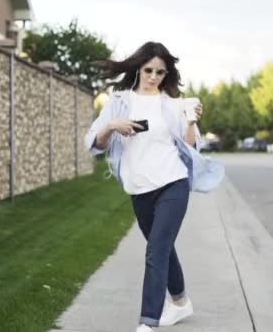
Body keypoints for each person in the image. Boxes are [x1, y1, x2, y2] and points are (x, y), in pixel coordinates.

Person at [84, 42, 224, 332]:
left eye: (160, 72)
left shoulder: (173, 103)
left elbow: (190, 146)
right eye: (149, 70)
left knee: (156, 251)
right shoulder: (120, 102)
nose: (154, 77)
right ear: (138, 68)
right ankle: (181, 302)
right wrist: (112, 126)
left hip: (173, 183)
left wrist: (191, 120)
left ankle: (147, 322)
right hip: (140, 190)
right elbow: (93, 144)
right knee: (162, 248)